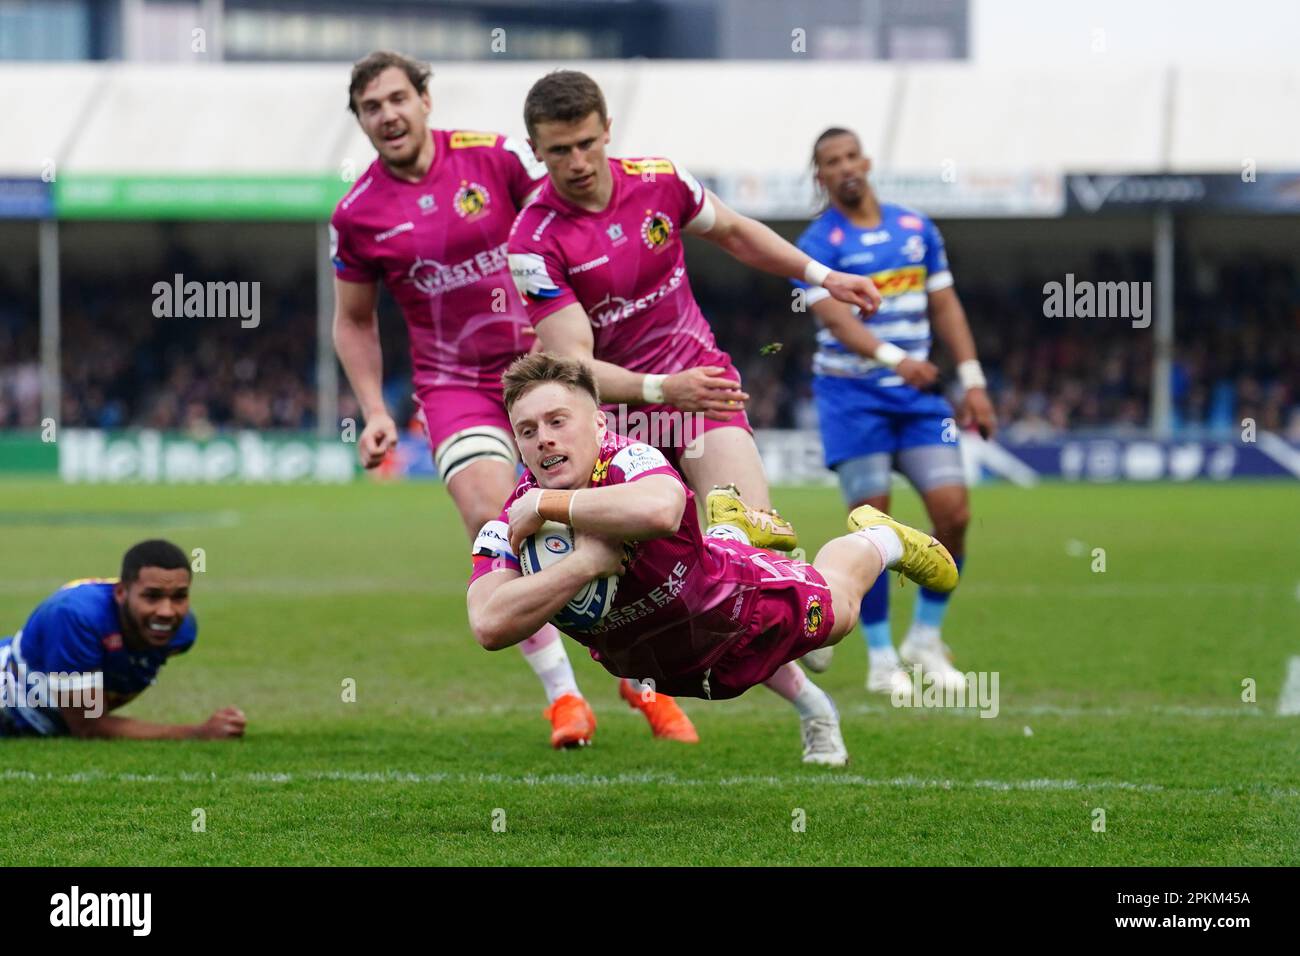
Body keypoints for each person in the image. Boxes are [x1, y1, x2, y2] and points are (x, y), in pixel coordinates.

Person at [506, 70, 885, 764]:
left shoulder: (660, 180)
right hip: (612, 429)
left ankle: (808, 617)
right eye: (559, 151)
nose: (578, 162)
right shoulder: (532, 241)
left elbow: (738, 234)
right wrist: (658, 391)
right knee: (692, 605)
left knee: (752, 555)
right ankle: (812, 704)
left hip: (700, 394)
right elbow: (574, 365)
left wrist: (822, 277)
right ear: (536, 151)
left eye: (587, 143)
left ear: (607, 128)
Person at [330, 51, 696, 748]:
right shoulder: (356, 215)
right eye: (371, 107)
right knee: (492, 514)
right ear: (361, 121)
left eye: (398, 98)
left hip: (547, 371)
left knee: (612, 517)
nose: (388, 115)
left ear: (425, 100)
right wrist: (377, 409)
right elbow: (351, 320)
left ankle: (633, 672)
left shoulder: (493, 158)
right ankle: (564, 698)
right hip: (455, 385)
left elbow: (569, 214)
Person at [467, 354, 957, 727]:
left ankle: (881, 539)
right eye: (527, 431)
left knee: (840, 612)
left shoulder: (626, 460)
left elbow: (661, 509)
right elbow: (489, 625)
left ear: (598, 422)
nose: (544, 439)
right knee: (714, 560)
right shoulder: (510, 523)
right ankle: (730, 527)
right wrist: (583, 563)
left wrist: (550, 506)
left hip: (743, 609)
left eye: (557, 421)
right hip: (670, 670)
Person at [792, 127, 997, 693]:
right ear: (821, 176)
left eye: (851, 155)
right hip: (852, 398)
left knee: (953, 513)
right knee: (874, 527)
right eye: (831, 162)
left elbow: (945, 302)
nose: (845, 167)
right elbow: (836, 319)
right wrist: (893, 357)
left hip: (919, 397)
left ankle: (925, 640)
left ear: (868, 160)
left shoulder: (916, 228)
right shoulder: (817, 241)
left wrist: (972, 378)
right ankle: (883, 658)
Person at [0, 540, 244, 739]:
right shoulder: (76, 616)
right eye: (152, 596)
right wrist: (196, 732)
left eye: (179, 597)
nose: (167, 612)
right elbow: (88, 726)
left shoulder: (182, 634)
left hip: (40, 720)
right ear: (120, 592)